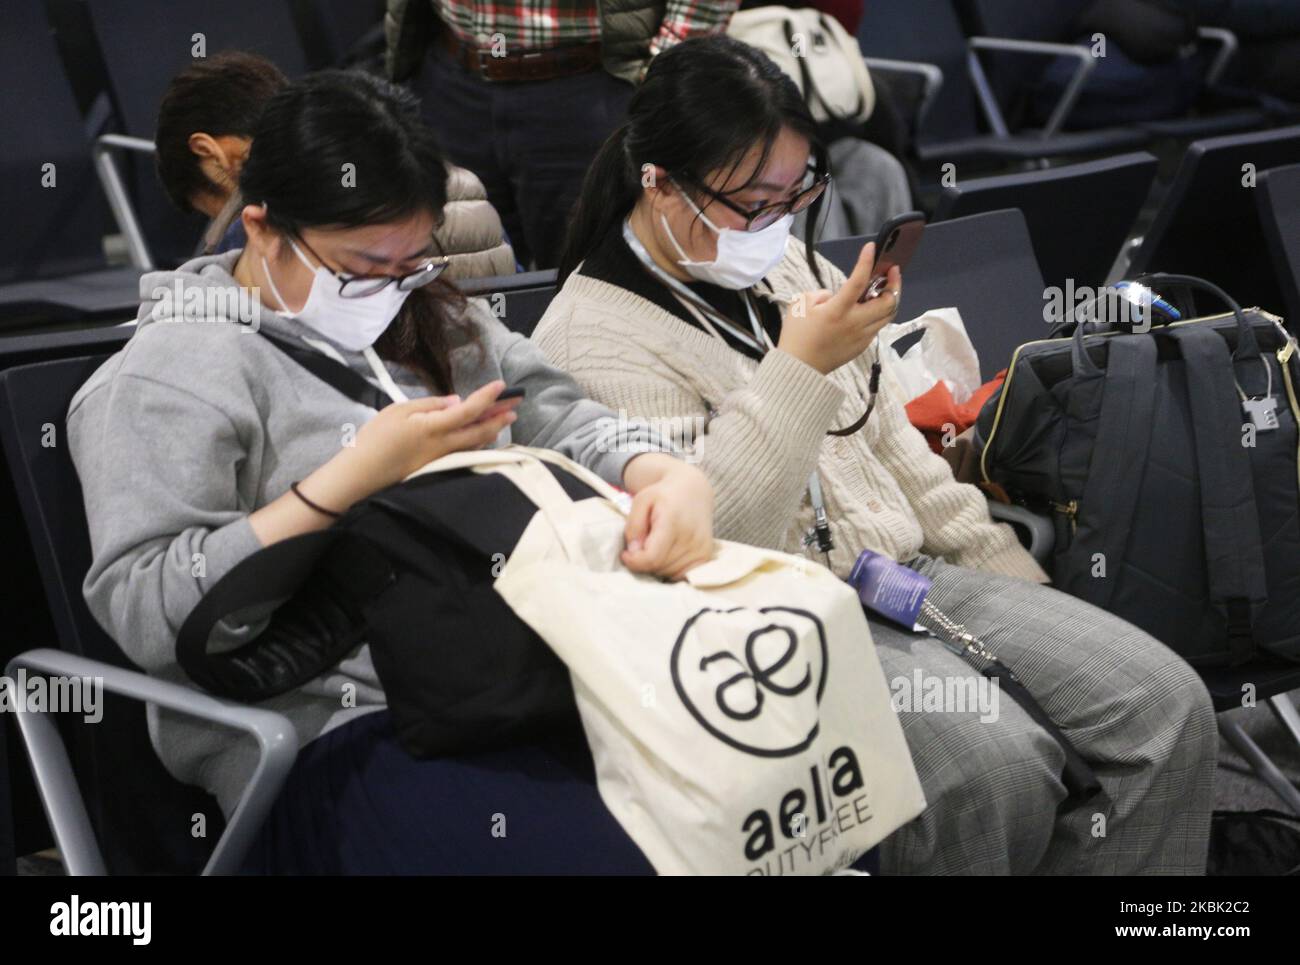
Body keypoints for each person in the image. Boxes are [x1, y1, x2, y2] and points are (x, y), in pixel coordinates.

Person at [534, 35, 1219, 875]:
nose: (780, 224)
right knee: (993, 771)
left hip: (912, 575)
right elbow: (703, 547)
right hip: (768, 634)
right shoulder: (587, 340)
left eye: (799, 192)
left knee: (1168, 705)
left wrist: (1013, 580)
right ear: (662, 183)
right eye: (756, 201)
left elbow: (906, 460)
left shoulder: (785, 265)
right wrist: (799, 369)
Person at [69, 70, 714, 872]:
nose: (385, 290)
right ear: (263, 229)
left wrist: (661, 472)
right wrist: (345, 482)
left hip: (522, 672)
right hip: (337, 728)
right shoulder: (167, 373)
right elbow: (151, 614)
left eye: (410, 262)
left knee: (734, 820)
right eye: (359, 267)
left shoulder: (419, 306)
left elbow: (555, 412)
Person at [384, 0, 740, 269]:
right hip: (448, 77)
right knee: (459, 289)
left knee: (597, 285)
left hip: (591, 87)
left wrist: (664, 72)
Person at [154, 51, 516, 276]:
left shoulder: (263, 220)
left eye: (214, 209)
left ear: (211, 152)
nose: (233, 221)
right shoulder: (464, 184)